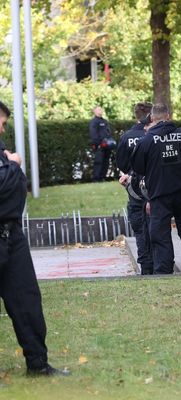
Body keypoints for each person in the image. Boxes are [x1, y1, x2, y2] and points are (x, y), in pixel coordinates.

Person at [0, 101, 69, 376]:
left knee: (26, 301)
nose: (3, 128)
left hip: (11, 235)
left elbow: (15, 190)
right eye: (1, 123)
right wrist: (13, 165)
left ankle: (38, 363)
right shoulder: (7, 156)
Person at [131, 103, 181, 274]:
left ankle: (164, 270)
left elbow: (138, 168)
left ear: (152, 118)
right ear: (168, 116)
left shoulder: (146, 140)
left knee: (160, 233)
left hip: (159, 193)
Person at [116, 102, 154, 275]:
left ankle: (146, 265)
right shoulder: (153, 135)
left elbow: (121, 163)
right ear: (151, 115)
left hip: (135, 189)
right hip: (155, 186)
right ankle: (160, 261)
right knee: (156, 226)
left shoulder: (127, 136)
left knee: (139, 229)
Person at [89, 105, 113, 182]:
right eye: (98, 109)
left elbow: (108, 132)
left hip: (107, 145)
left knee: (106, 162)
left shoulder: (104, 121)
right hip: (99, 146)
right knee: (98, 162)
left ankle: (102, 177)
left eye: (101, 109)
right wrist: (98, 143)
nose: (100, 111)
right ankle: (96, 179)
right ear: (94, 111)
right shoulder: (94, 122)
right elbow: (93, 134)